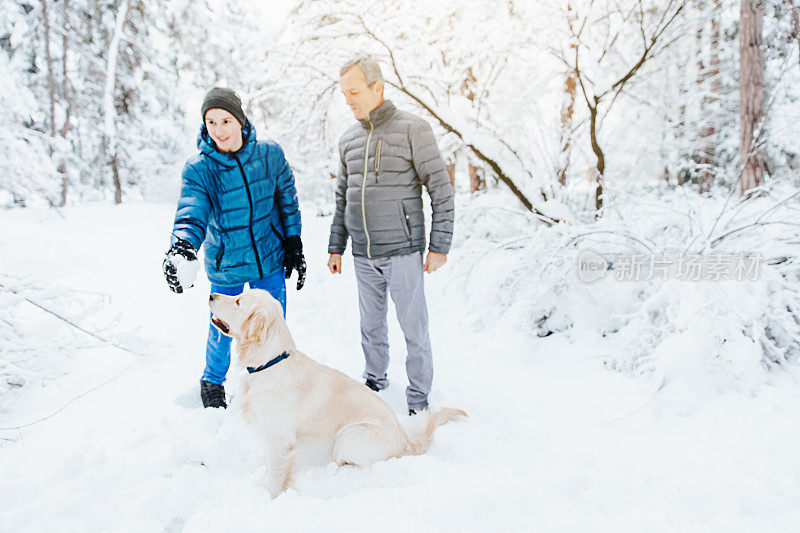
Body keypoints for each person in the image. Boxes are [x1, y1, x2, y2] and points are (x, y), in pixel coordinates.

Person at [162, 87, 305, 409]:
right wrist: (182, 247)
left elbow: (287, 201)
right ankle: (213, 380)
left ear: (240, 120)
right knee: (222, 327)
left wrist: (294, 243)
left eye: (226, 120)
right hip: (226, 262)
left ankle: (274, 377)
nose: (219, 130)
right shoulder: (201, 168)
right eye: (211, 122)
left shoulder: (270, 155)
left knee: (272, 323)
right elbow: (191, 211)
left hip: (268, 258)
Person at [327, 57, 455, 415]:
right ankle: (375, 380)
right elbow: (343, 198)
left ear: (376, 88)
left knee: (414, 330)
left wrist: (439, 246)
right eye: (344, 94)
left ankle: (418, 400)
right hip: (362, 255)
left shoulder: (414, 129)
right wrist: (336, 246)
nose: (348, 100)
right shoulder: (348, 140)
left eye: (354, 92)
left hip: (403, 252)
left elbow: (441, 190)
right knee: (370, 327)